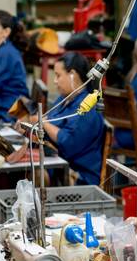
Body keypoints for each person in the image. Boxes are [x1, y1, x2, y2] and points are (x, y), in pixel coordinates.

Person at [20, 52, 105, 186]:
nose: (55, 81)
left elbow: (68, 142)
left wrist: (43, 122)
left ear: (73, 75)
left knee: (33, 172)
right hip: (56, 165)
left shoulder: (88, 108)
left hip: (77, 176)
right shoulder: (64, 99)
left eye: (58, 75)